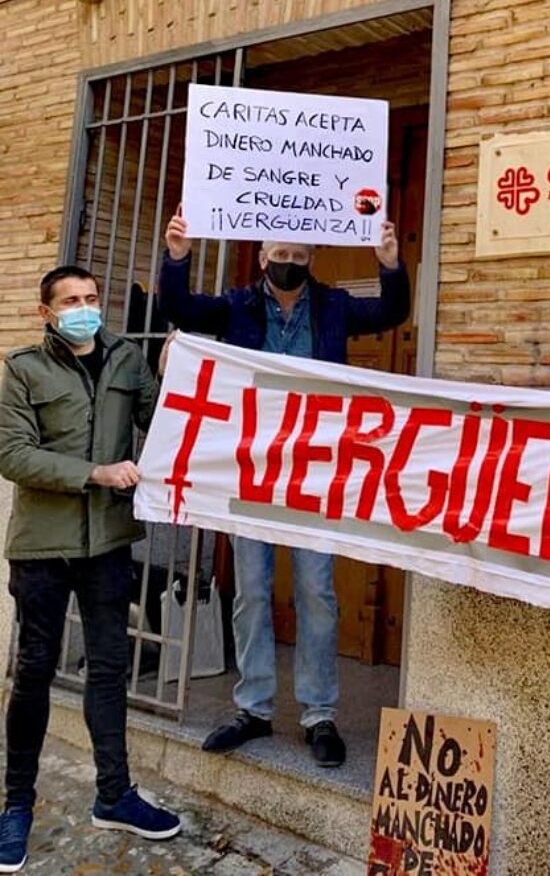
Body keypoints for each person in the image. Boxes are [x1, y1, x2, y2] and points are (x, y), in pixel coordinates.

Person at [159, 207, 411, 768]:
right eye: (281, 256)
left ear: (312, 260)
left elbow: (392, 311)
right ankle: (253, 708)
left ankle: (319, 714)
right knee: (251, 589)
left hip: (315, 473)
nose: (290, 264)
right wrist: (177, 256)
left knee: (317, 592)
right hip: (251, 469)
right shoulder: (235, 306)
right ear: (262, 256)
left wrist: (390, 264)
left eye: (300, 257)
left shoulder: (335, 307)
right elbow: (178, 308)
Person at [0, 265, 181, 873]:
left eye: (92, 298)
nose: (85, 307)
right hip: (42, 547)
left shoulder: (127, 359)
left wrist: (177, 376)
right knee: (34, 671)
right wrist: (94, 473)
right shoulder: (24, 368)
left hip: (108, 541)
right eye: (71, 300)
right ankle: (16, 805)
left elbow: (163, 427)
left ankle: (115, 795)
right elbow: (13, 454)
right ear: (47, 312)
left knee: (108, 672)